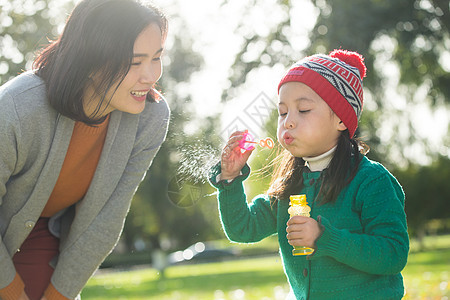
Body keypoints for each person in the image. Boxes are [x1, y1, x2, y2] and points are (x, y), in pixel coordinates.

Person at [0, 0, 169, 299]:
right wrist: (11, 290)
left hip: (45, 234)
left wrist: (59, 295)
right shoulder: (15, 109)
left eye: (156, 57)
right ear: (90, 60)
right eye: (134, 62)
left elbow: (107, 218)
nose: (151, 75)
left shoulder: (150, 117)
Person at [209, 50, 409, 299]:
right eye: (283, 113)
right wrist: (229, 179)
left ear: (341, 119)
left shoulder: (370, 180)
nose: (288, 122)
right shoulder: (289, 186)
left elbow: (393, 254)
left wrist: (325, 238)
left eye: (303, 110)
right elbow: (243, 228)